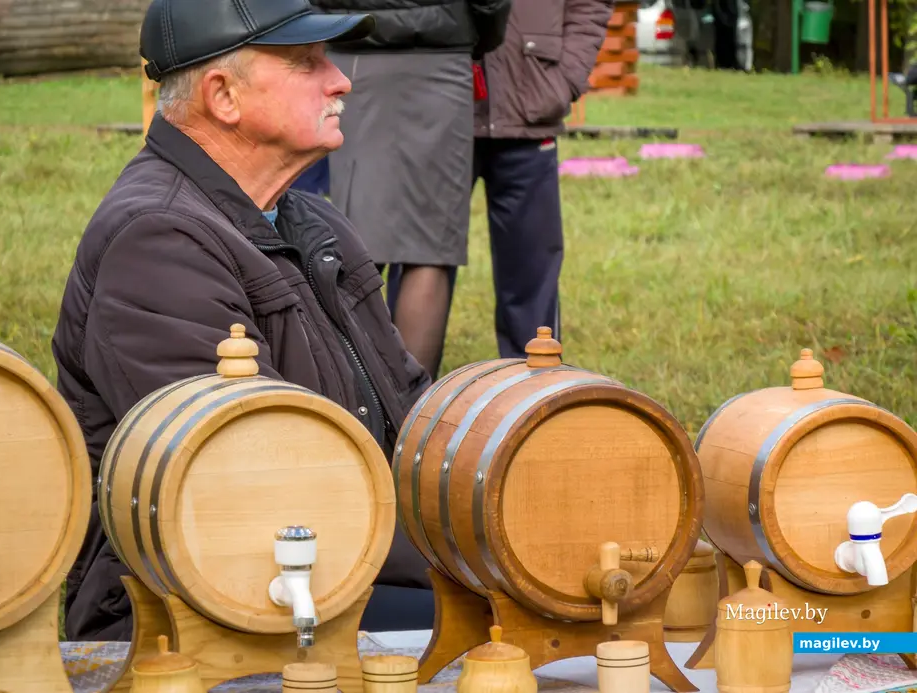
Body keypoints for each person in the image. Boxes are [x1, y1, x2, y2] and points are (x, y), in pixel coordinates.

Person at [50, 0, 436, 642]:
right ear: (223, 95)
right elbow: (248, 487)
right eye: (306, 61)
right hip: (196, 614)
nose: (340, 79)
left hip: (337, 570)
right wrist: (449, 565)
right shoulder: (159, 241)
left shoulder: (310, 221)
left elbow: (411, 408)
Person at [309, 0, 513, 381]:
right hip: (438, 52)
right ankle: (413, 416)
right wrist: (477, 32)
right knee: (429, 246)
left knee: (357, 235)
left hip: (353, 46)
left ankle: (358, 403)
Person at [468, 0, 613, 358]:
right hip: (442, 110)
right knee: (422, 267)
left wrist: (563, 79)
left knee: (532, 275)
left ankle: (536, 398)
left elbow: (591, 5)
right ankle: (403, 401)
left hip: (531, 106)